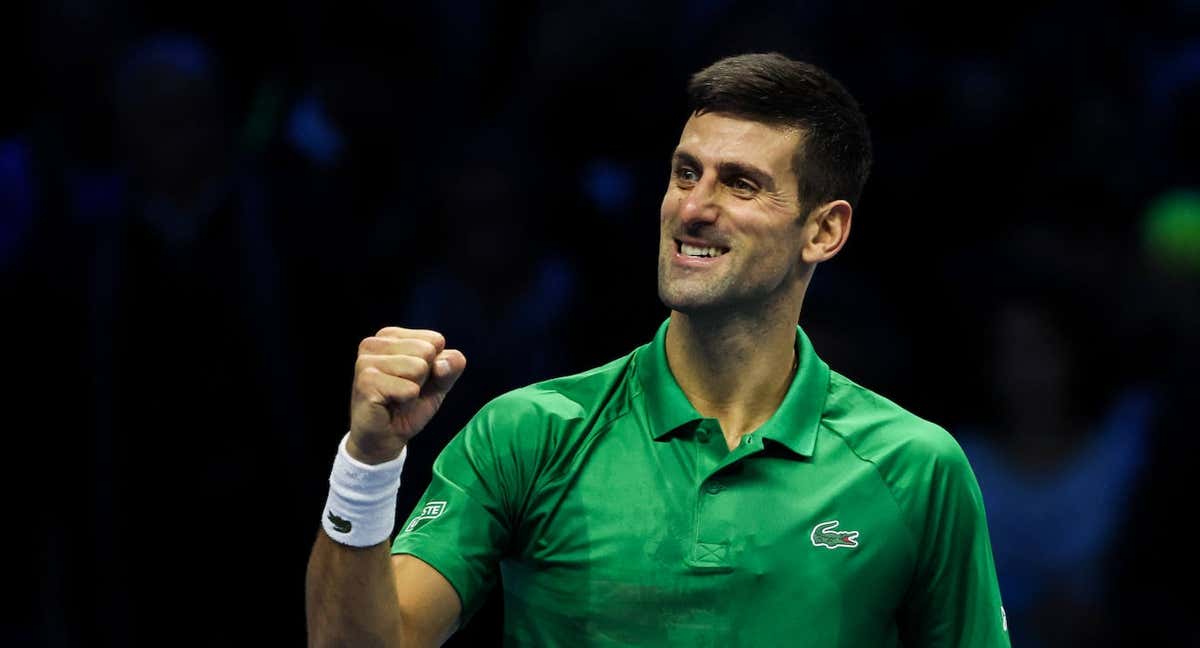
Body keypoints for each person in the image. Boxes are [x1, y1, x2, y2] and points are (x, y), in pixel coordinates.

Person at [305, 52, 1010, 647]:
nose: (693, 206)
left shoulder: (915, 469)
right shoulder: (529, 433)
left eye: (740, 184)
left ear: (823, 232)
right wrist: (366, 463)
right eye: (684, 172)